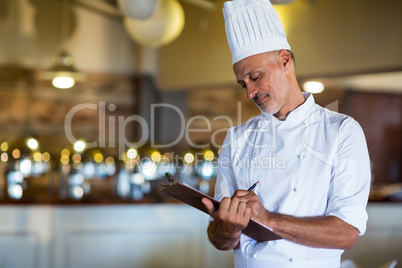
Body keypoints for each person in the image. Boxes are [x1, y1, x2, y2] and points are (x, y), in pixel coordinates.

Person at [201, 0, 371, 267]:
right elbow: (220, 240)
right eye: (242, 84)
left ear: (284, 60)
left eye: (255, 77)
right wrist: (228, 228)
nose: (249, 93)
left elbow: (346, 233)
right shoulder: (236, 139)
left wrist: (268, 219)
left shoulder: (342, 131)